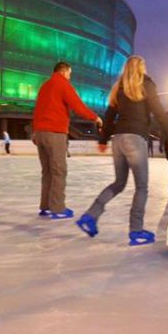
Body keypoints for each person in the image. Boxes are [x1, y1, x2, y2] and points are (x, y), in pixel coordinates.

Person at [75, 55, 168, 246]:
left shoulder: (119, 88)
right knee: (141, 187)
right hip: (135, 139)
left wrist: (103, 139)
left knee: (119, 183)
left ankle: (90, 215)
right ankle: (136, 230)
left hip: (118, 139)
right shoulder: (146, 84)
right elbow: (160, 114)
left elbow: (109, 116)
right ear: (141, 68)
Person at [32, 61, 103, 219]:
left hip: (40, 132)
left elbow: (37, 109)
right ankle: (57, 208)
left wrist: (35, 131)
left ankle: (45, 206)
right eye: (70, 74)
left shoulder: (45, 86)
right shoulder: (62, 84)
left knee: (47, 172)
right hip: (55, 133)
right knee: (59, 170)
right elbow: (77, 105)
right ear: (64, 72)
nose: (70, 77)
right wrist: (95, 117)